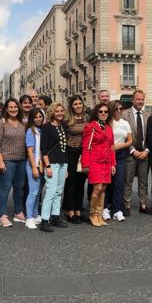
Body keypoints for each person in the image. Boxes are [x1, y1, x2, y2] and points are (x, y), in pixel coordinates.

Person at [0, 98, 28, 227]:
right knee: (5, 188)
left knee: (19, 188)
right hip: (7, 160)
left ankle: (18, 212)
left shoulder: (22, 123)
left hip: (21, 160)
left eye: (15, 107)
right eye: (11, 107)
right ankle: (2, 215)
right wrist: (0, 161)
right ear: (6, 109)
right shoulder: (2, 123)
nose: (13, 109)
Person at [81, 103, 115, 226]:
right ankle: (92, 214)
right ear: (96, 113)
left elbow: (111, 147)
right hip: (95, 161)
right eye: (101, 111)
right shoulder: (91, 127)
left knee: (104, 189)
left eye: (106, 112)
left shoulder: (108, 128)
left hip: (107, 162)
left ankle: (99, 214)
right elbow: (85, 147)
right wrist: (86, 164)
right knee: (97, 188)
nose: (103, 114)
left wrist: (113, 164)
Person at [39, 102, 70, 232]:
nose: (60, 113)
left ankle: (55, 216)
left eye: (61, 111)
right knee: (50, 192)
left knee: (59, 191)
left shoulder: (63, 125)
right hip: (52, 162)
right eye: (57, 111)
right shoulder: (46, 127)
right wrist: (48, 166)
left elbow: (64, 147)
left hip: (63, 162)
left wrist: (67, 167)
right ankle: (44, 220)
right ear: (52, 112)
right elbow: (43, 148)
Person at [63, 95, 89, 224]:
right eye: (75, 104)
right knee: (71, 182)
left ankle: (78, 210)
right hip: (71, 152)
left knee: (81, 182)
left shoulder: (87, 118)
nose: (78, 106)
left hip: (84, 152)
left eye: (80, 104)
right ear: (71, 106)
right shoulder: (67, 119)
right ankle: (69, 211)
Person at [123, 90, 149, 215]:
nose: (140, 102)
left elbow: (151, 136)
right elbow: (122, 136)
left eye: (142, 99)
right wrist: (132, 150)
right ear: (133, 100)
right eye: (138, 99)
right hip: (130, 153)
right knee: (128, 180)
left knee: (143, 181)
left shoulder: (148, 115)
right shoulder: (124, 115)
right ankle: (126, 204)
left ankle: (143, 204)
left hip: (144, 154)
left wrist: (147, 151)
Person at [108, 100, 133, 222]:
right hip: (107, 155)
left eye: (120, 109)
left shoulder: (125, 123)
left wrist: (120, 146)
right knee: (107, 183)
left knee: (119, 182)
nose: (119, 111)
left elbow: (130, 140)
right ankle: (106, 208)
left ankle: (117, 210)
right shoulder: (107, 123)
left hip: (121, 154)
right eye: (116, 109)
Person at [24, 108, 46, 229]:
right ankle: (29, 217)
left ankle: (36, 214)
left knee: (38, 192)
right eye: (35, 117)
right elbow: (30, 151)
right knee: (33, 192)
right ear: (31, 119)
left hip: (42, 164)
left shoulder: (42, 130)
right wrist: (34, 167)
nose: (38, 119)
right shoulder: (30, 131)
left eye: (40, 116)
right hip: (34, 164)